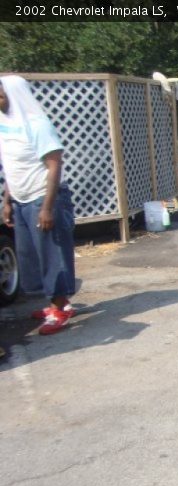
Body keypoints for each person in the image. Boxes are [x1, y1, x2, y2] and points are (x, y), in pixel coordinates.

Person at [0, 75, 75, 335]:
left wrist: (46, 207)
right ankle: (58, 305)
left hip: (43, 198)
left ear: (14, 95)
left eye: (0, 94)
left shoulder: (37, 124)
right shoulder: (4, 124)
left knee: (52, 257)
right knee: (32, 257)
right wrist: (7, 201)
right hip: (20, 200)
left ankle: (59, 310)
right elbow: (11, 167)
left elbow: (55, 165)